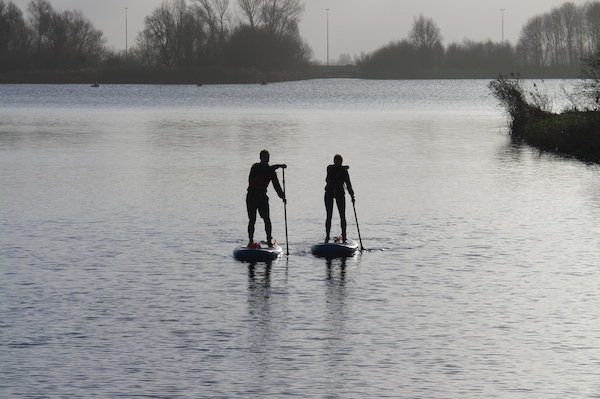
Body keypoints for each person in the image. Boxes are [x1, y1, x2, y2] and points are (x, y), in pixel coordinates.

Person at [246, 150, 286, 246]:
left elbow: (276, 186)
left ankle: (269, 239)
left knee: (267, 219)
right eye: (264, 158)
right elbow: (263, 171)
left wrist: (282, 197)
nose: (266, 160)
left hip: (262, 197)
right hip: (252, 197)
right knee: (252, 219)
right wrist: (279, 165)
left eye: (267, 158)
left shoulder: (271, 171)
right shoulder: (255, 167)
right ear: (260, 158)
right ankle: (251, 240)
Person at [324, 154, 354, 243]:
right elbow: (334, 168)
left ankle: (344, 236)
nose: (338, 163)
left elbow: (348, 184)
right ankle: (327, 236)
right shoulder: (330, 168)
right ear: (334, 161)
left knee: (342, 215)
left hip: (340, 193)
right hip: (329, 193)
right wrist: (344, 167)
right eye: (337, 161)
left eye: (340, 161)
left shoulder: (344, 171)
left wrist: (352, 196)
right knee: (329, 215)